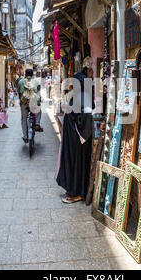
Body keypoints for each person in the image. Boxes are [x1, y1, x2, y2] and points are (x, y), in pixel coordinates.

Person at [56, 70, 93, 204]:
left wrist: (79, 136)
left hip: (78, 141)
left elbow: (84, 119)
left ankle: (77, 193)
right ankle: (73, 190)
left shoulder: (83, 97)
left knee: (77, 166)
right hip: (74, 140)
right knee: (73, 165)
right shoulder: (80, 96)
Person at [18, 68, 43, 144]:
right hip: (34, 102)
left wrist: (21, 102)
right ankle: (37, 123)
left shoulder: (21, 81)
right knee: (39, 112)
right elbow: (38, 92)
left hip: (24, 103)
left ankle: (25, 137)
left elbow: (20, 93)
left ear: (25, 74)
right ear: (32, 75)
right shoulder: (36, 81)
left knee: (24, 119)